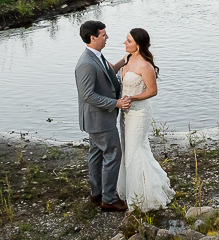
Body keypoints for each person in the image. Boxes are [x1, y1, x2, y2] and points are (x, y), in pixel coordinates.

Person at [113, 27, 175, 212]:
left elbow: (152, 91)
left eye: (129, 41)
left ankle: (143, 196)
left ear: (138, 45)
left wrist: (132, 98)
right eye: (126, 40)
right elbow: (110, 70)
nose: (125, 43)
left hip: (139, 113)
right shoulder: (127, 59)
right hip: (125, 114)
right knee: (127, 148)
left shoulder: (145, 66)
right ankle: (131, 190)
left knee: (135, 149)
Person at [75, 20, 132, 212]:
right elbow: (88, 95)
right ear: (93, 37)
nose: (107, 37)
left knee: (96, 155)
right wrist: (116, 103)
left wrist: (124, 62)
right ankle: (108, 199)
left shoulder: (96, 56)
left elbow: (107, 75)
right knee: (113, 154)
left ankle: (96, 193)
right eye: (103, 35)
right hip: (99, 119)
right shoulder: (86, 63)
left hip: (97, 119)